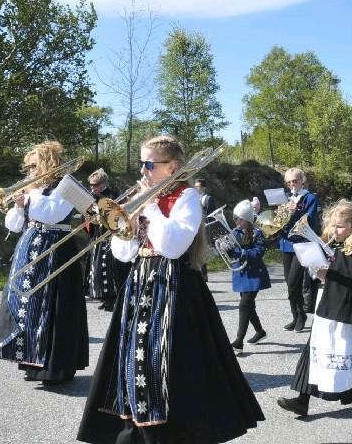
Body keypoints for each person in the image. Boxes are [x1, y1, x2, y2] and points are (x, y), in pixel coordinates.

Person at [78, 135, 263, 444]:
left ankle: (168, 432)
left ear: (172, 167)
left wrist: (150, 207)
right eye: (141, 164)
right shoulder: (147, 199)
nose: (143, 171)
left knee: (170, 363)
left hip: (174, 286)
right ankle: (134, 429)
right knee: (132, 357)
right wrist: (129, 223)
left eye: (149, 164)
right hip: (140, 282)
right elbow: (122, 254)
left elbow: (173, 247)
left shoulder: (186, 197)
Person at [277, 199, 352, 417]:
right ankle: (302, 399)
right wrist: (318, 269)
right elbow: (326, 271)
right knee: (314, 350)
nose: (335, 230)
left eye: (340, 226)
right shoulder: (332, 244)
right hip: (331, 304)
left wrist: (329, 272)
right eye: (333, 225)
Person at [0, 141, 88, 385]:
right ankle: (31, 361)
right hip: (30, 246)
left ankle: (55, 367)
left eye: (33, 166)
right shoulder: (33, 190)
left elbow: (53, 214)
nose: (29, 172)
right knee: (28, 304)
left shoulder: (67, 185)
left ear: (47, 163)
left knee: (55, 307)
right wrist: (17, 205)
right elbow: (13, 225)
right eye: (28, 167)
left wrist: (29, 198)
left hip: (56, 249)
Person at [278, 167, 320, 332]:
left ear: (302, 181)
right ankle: (296, 316)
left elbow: (308, 220)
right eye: (289, 182)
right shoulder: (286, 198)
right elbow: (279, 221)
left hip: (302, 244)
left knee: (294, 282)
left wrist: (293, 212)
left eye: (295, 181)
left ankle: (301, 314)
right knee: (289, 283)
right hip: (286, 243)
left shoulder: (310, 198)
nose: (292, 185)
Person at [228, 199, 270, 354]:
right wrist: (228, 250)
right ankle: (260, 332)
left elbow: (258, 253)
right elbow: (231, 251)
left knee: (244, 305)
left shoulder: (258, 233)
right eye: (235, 218)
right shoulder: (234, 232)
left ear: (246, 220)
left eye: (238, 218)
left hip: (254, 274)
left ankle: (239, 341)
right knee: (249, 306)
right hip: (241, 273)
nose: (235, 221)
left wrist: (240, 253)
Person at [85, 168, 130, 311]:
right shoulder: (92, 198)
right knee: (97, 267)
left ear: (103, 183)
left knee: (110, 268)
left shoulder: (113, 196)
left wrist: (102, 217)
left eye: (96, 185)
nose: (93, 188)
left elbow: (120, 217)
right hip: (97, 236)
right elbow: (88, 219)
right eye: (91, 185)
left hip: (111, 236)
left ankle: (114, 299)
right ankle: (104, 298)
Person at [195, 178, 216, 282]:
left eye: (198, 187)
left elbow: (212, 215)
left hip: (205, 228)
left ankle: (204, 275)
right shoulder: (193, 199)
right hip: (195, 228)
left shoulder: (208, 198)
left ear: (204, 188)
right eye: (195, 187)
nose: (196, 189)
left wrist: (207, 223)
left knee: (202, 250)